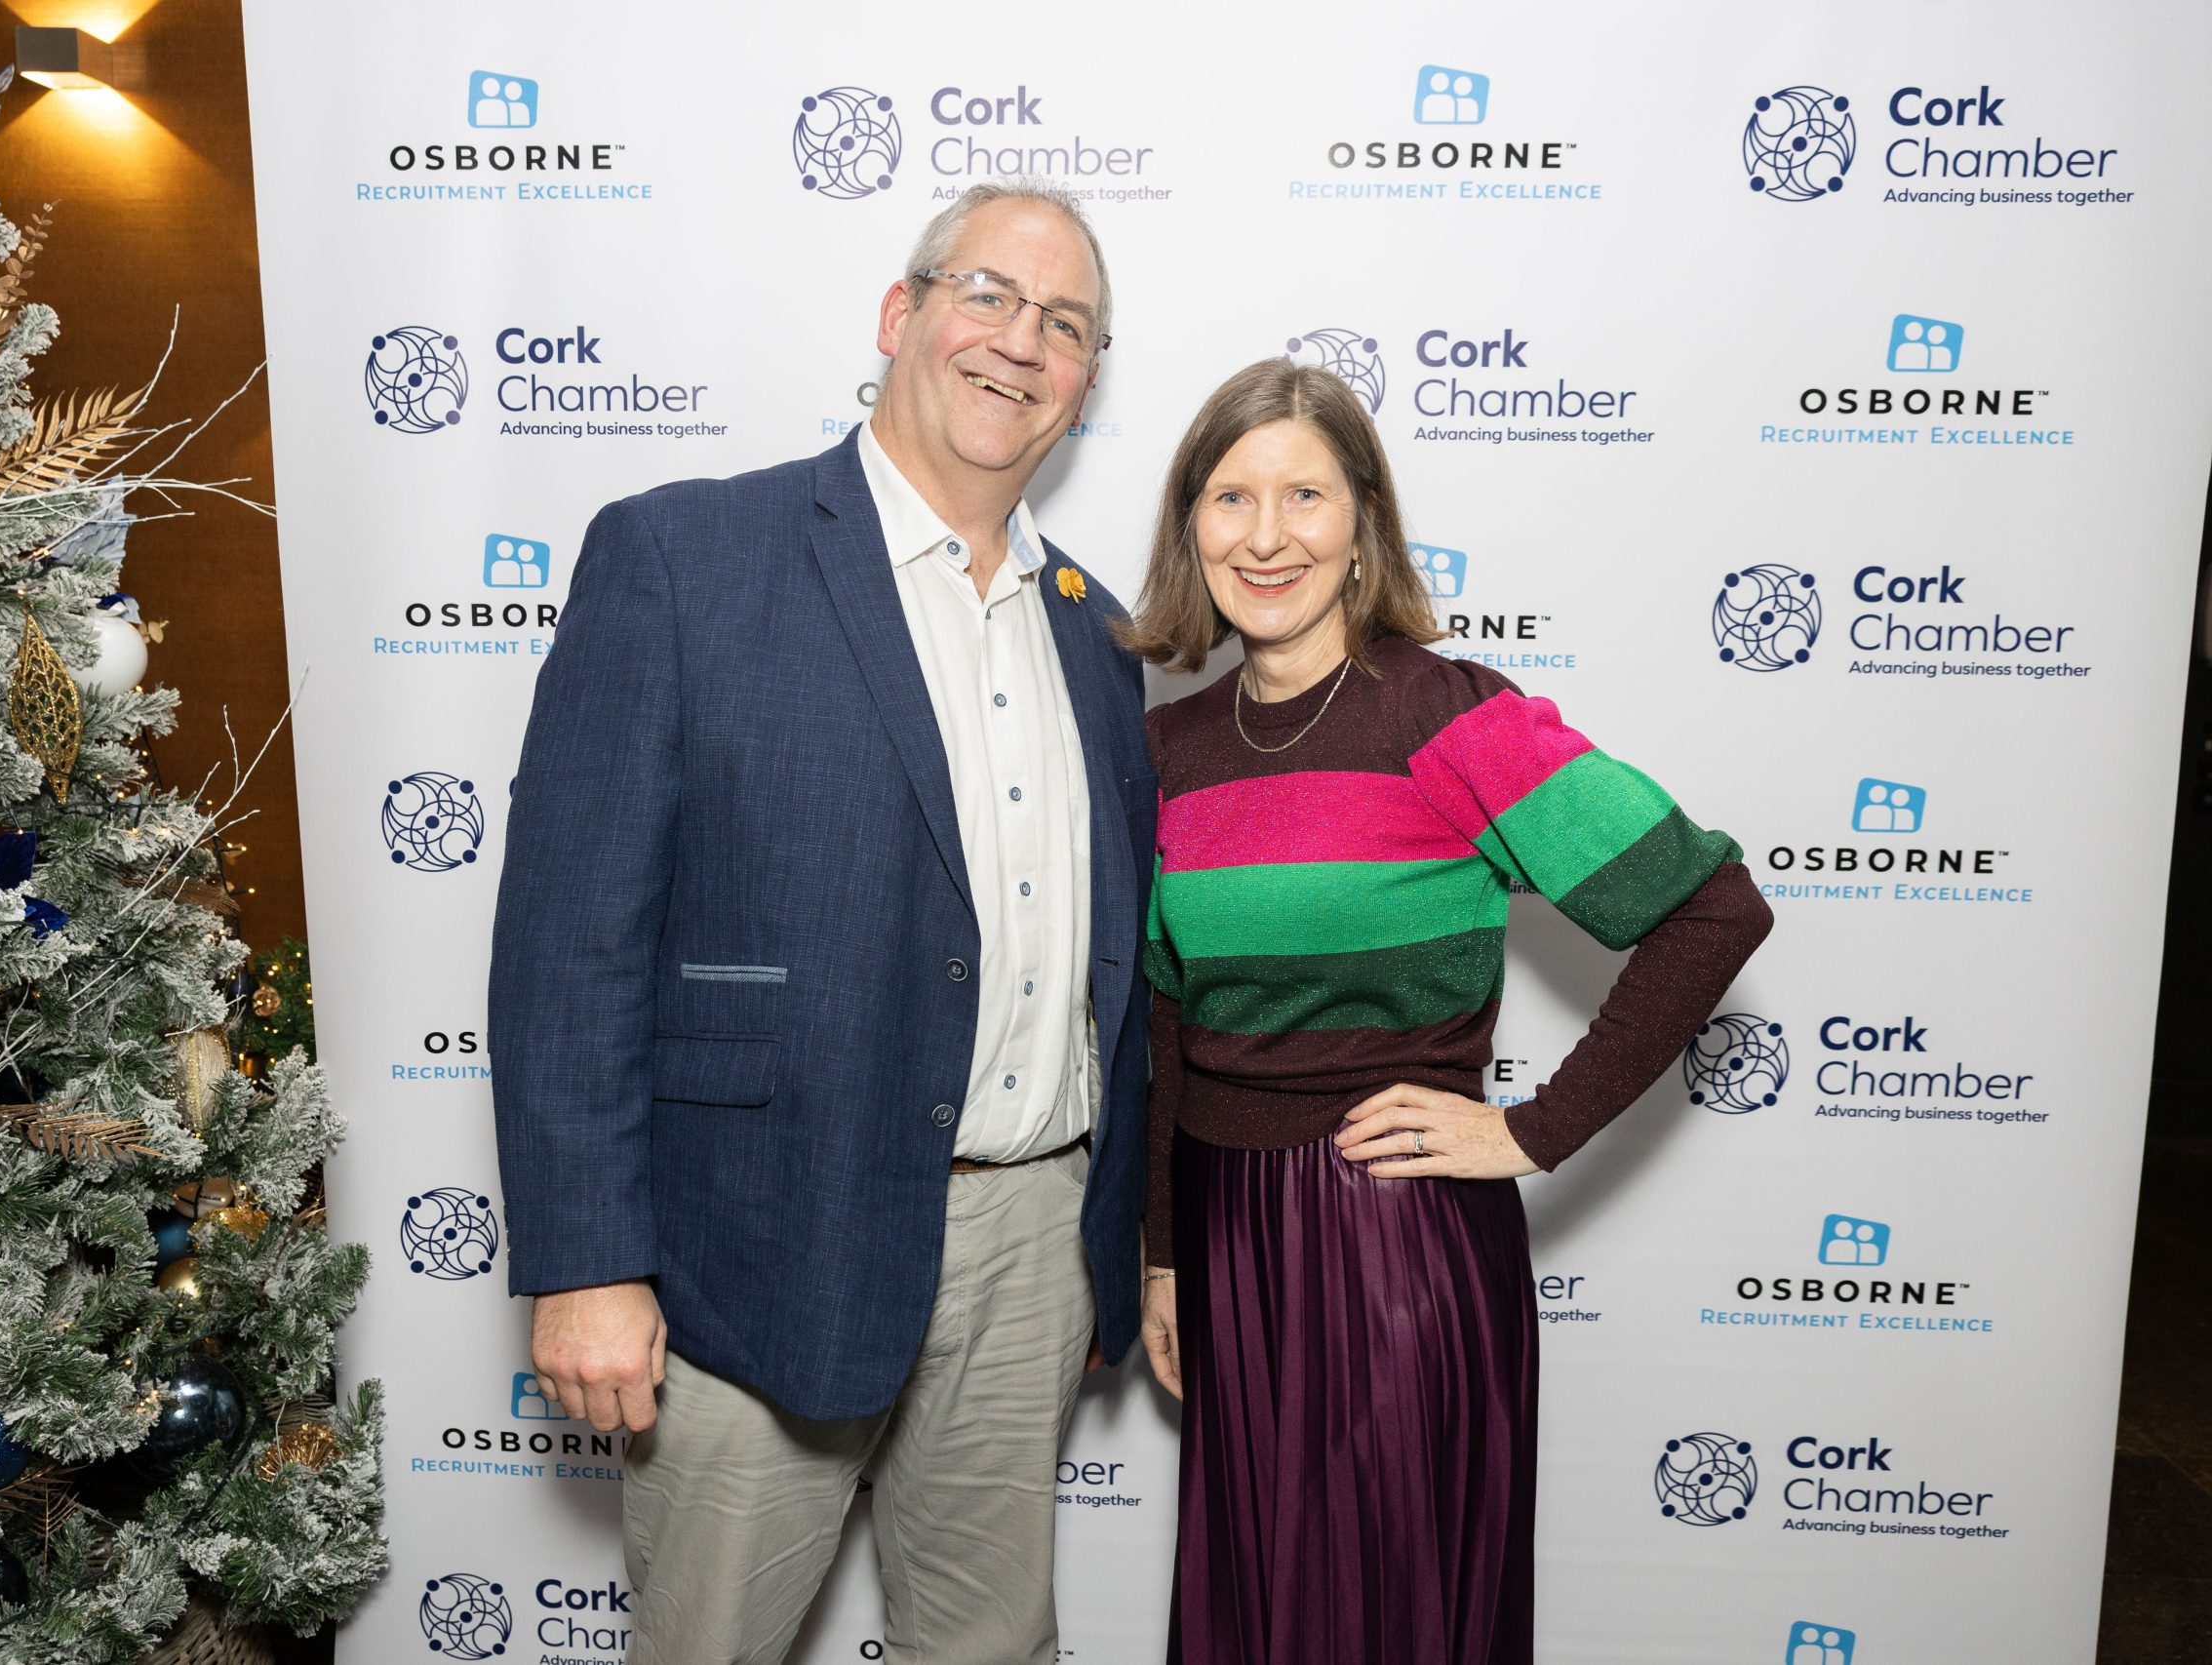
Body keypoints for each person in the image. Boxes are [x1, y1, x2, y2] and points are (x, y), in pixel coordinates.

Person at [488, 180, 1154, 1665]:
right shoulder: (684, 558)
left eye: (1066, 324)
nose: (1021, 342)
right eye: (988, 295)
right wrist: (587, 1262)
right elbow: (568, 946)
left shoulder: (1099, 635)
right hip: (757, 1240)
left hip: (1029, 1242)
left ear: (1087, 380)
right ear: (900, 314)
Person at [1116, 358, 1772, 1663]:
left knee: (1392, 1615)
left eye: (1305, 494)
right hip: (1230, 1239)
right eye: (1231, 497)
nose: (1266, 534)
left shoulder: (1448, 716)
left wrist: (1534, 1130)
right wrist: (1167, 1253)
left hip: (1394, 1242)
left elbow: (1712, 909)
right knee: (1259, 1616)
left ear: (1363, 520)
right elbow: (1170, 1031)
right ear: (1191, 527)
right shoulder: (1168, 750)